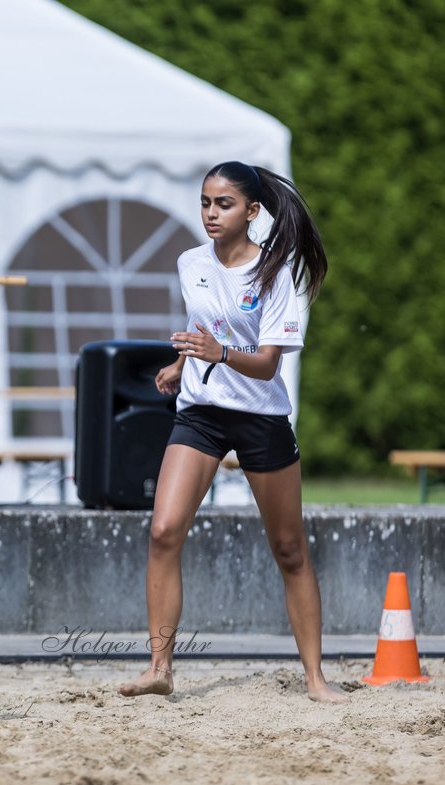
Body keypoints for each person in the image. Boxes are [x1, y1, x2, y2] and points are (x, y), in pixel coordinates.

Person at [118, 161, 346, 703]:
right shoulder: (190, 262)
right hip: (201, 412)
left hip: (261, 417)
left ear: (252, 211)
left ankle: (316, 679)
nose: (211, 213)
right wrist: (183, 365)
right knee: (163, 532)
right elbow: (206, 326)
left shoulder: (277, 272)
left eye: (224, 204)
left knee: (289, 549)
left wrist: (218, 353)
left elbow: (268, 365)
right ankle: (159, 669)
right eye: (205, 202)